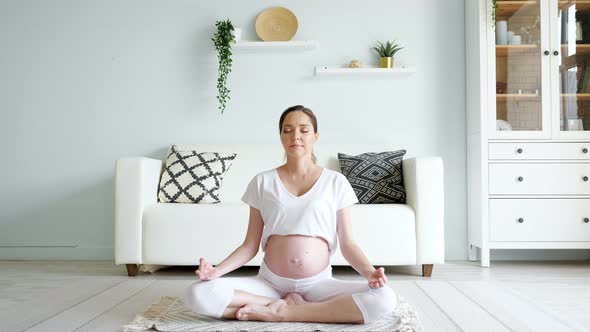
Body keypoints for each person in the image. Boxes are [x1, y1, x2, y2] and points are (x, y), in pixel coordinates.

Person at [184, 105, 397, 324]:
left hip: (319, 284)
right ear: (281, 136)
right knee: (198, 293)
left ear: (315, 136)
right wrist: (216, 271)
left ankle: (284, 312)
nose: (295, 136)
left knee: (384, 298)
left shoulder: (336, 182)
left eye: (304, 130)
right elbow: (249, 245)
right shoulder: (262, 182)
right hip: (269, 284)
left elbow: (348, 243)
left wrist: (370, 272)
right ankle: (281, 306)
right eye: (288, 130)